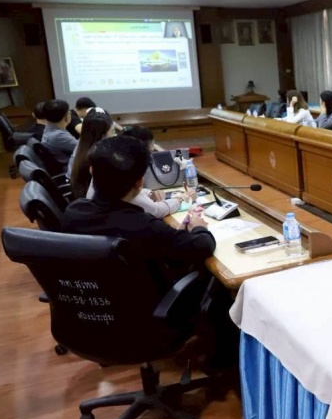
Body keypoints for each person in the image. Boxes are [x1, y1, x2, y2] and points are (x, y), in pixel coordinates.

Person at [62, 136, 215, 295]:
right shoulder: (144, 225)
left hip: (91, 298)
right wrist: (199, 228)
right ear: (140, 183)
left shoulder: (73, 212)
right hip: (146, 303)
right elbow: (203, 246)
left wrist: (176, 233)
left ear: (92, 171)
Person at [68, 110, 114, 197]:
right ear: (102, 135)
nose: (113, 136)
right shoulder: (98, 157)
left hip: (82, 196)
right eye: (112, 132)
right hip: (95, 199)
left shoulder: (83, 146)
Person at [41, 99, 79, 169]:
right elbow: (83, 149)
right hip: (69, 167)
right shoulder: (59, 136)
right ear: (66, 117)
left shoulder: (49, 127)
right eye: (69, 112)